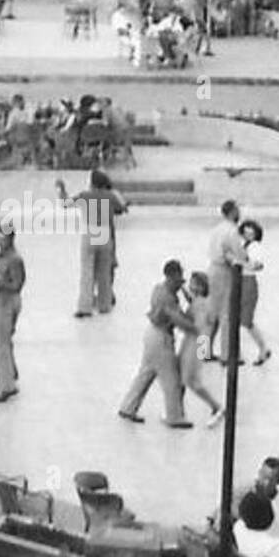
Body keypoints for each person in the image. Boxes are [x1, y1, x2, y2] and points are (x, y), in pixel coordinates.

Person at [118, 259, 194, 428]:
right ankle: (175, 416)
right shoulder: (167, 297)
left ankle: (128, 407)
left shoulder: (159, 289)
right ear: (171, 276)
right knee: (171, 379)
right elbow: (177, 319)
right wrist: (195, 329)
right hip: (162, 338)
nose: (181, 283)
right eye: (178, 279)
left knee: (146, 373)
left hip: (151, 334)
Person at [57, 169, 128, 317]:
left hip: (90, 233)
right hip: (105, 234)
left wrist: (62, 189)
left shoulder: (85, 196)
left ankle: (85, 307)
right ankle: (104, 305)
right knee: (104, 273)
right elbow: (122, 208)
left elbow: (65, 203)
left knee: (87, 272)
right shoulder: (110, 196)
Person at [177, 271, 224, 427]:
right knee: (180, 374)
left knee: (191, 380)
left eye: (193, 283)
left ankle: (216, 406)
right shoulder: (202, 301)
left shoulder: (202, 304)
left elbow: (200, 322)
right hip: (197, 340)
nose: (190, 286)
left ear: (201, 286)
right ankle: (177, 408)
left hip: (196, 341)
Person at [206, 199, 248, 363]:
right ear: (232, 212)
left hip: (212, 269)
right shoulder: (232, 232)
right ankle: (228, 355)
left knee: (211, 313)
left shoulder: (217, 229)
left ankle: (203, 352)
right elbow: (239, 254)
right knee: (227, 314)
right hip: (225, 272)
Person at [0, 222, 26, 403]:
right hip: (0, 300)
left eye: (2, 238)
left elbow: (17, 285)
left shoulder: (14, 259)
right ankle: (9, 373)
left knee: (0, 343)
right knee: (4, 340)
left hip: (7, 301)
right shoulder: (1, 258)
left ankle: (5, 386)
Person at [236, 219, 272, 365]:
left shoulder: (255, 247)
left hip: (248, 282)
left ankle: (263, 347)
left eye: (251, 231)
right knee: (240, 320)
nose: (248, 233)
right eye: (246, 230)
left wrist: (243, 264)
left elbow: (258, 265)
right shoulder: (242, 245)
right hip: (241, 281)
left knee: (246, 320)